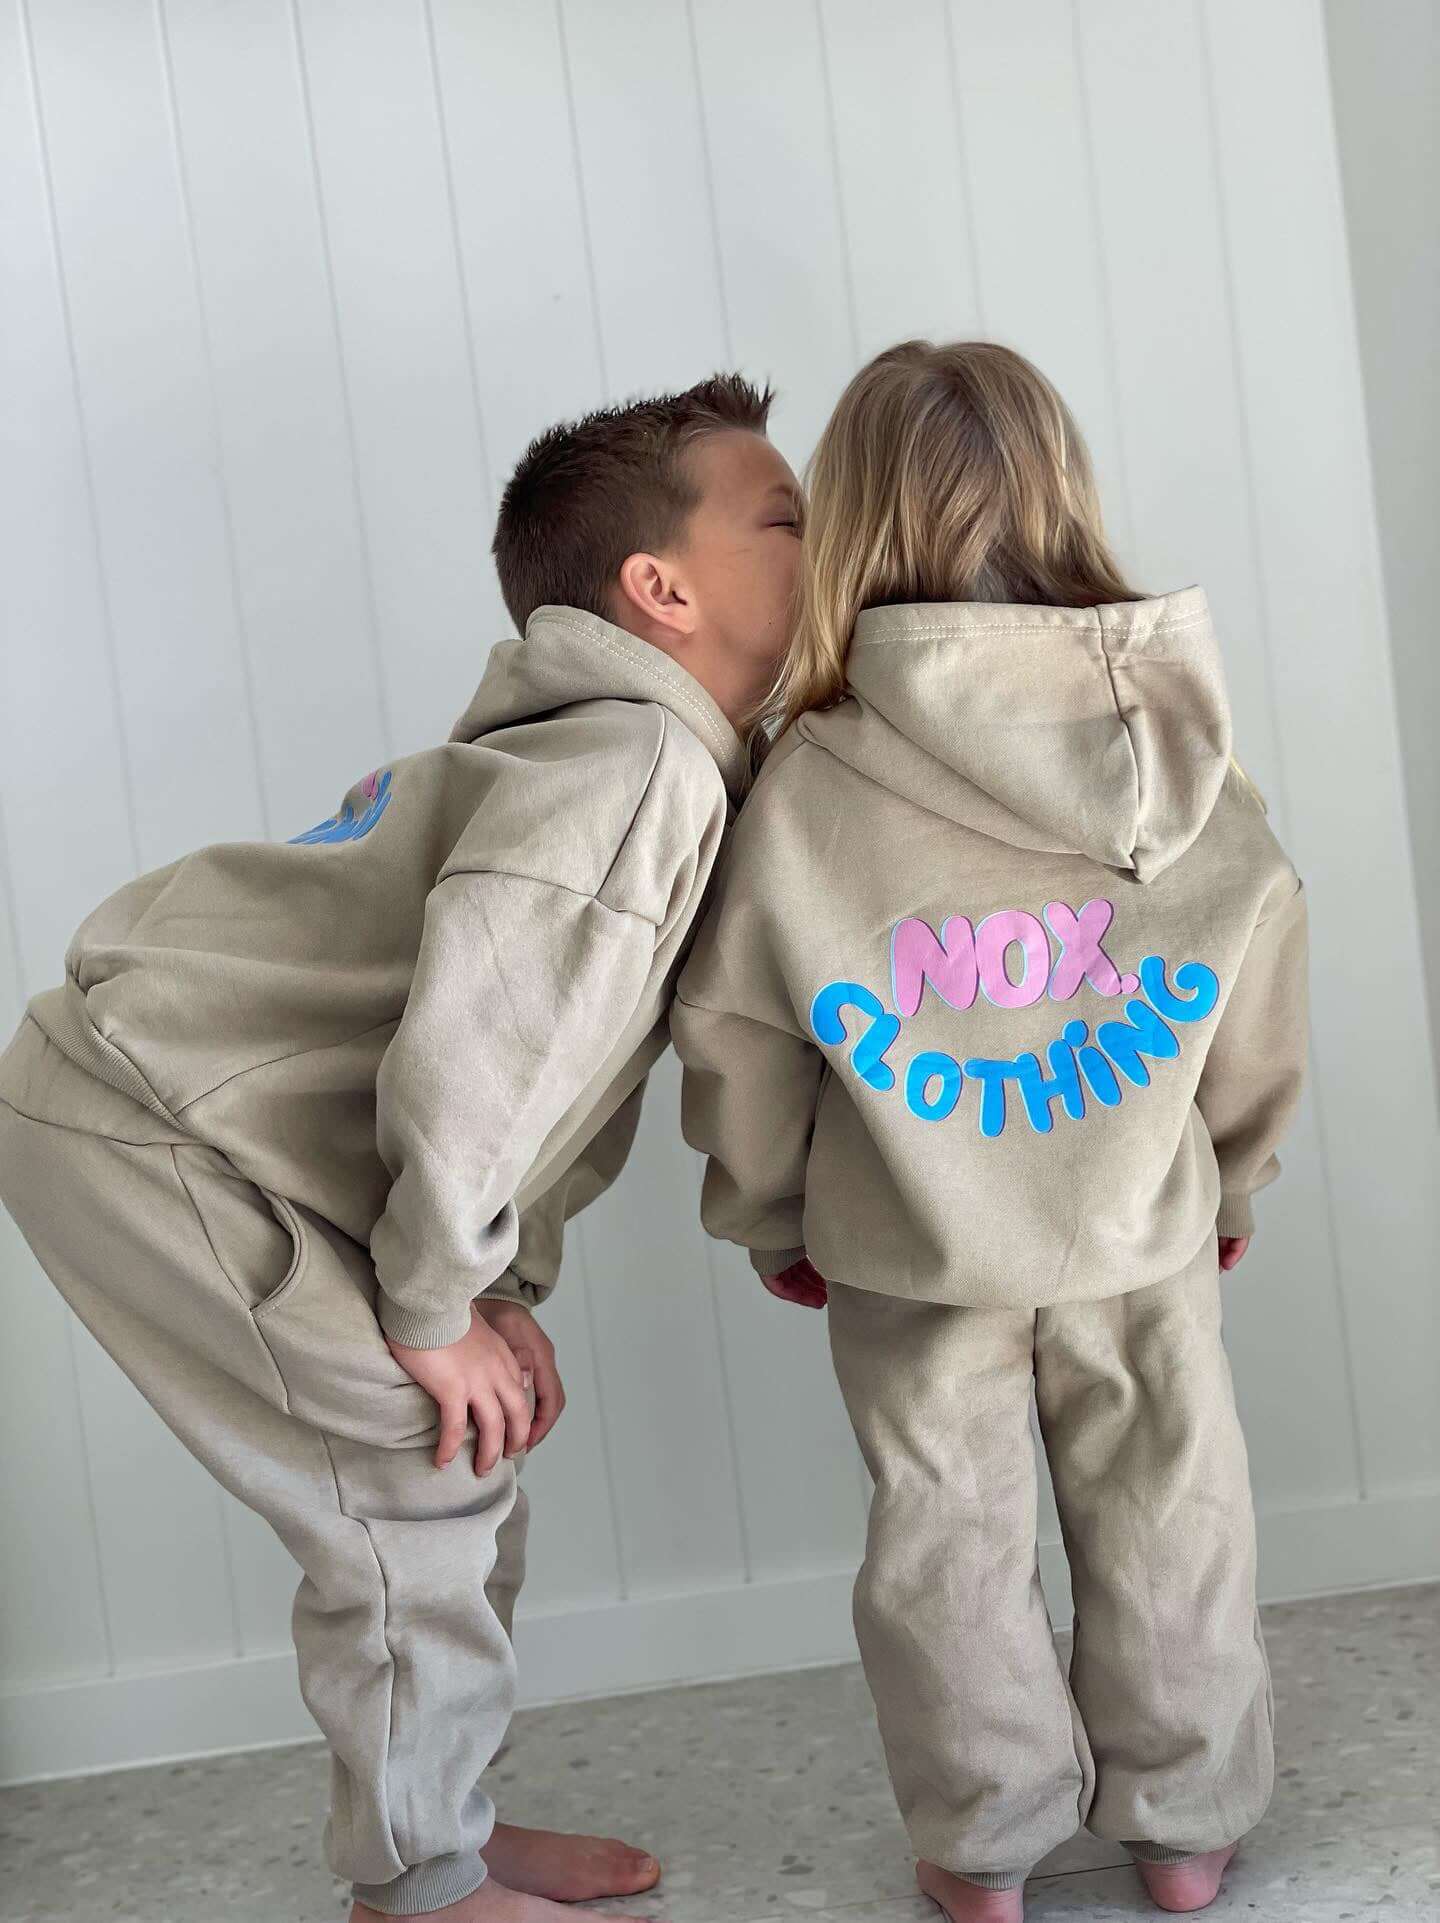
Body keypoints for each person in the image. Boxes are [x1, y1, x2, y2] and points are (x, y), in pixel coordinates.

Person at [0, 374, 802, 1923]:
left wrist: (496, 1293)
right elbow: (474, 1059)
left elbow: (560, 1077)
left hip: (188, 1115)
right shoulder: (633, 769)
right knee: (405, 1485)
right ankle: (419, 1890)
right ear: (662, 588)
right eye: (789, 519)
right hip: (148, 1117)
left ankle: (448, 1824)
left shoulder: (630, 759)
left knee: (455, 1452)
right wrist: (434, 1305)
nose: (825, 543)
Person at [673, 341, 1308, 1920]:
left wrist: (766, 1211)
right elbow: (1257, 969)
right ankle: (1186, 1824)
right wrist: (1235, 1174)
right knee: (1173, 1500)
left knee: (944, 1534)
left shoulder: (809, 779)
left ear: (855, 524)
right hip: (1139, 1225)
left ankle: (982, 1848)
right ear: (1063, 491)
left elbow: (741, 1028)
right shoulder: (1178, 750)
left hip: (909, 1241)